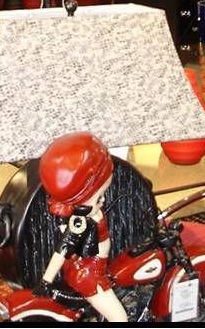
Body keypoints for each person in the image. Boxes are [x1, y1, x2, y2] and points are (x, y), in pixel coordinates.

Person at [34, 132, 127, 322]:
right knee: (119, 318)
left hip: (92, 267)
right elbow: (63, 248)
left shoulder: (86, 213)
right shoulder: (79, 221)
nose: (103, 200)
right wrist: (46, 280)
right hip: (91, 274)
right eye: (99, 197)